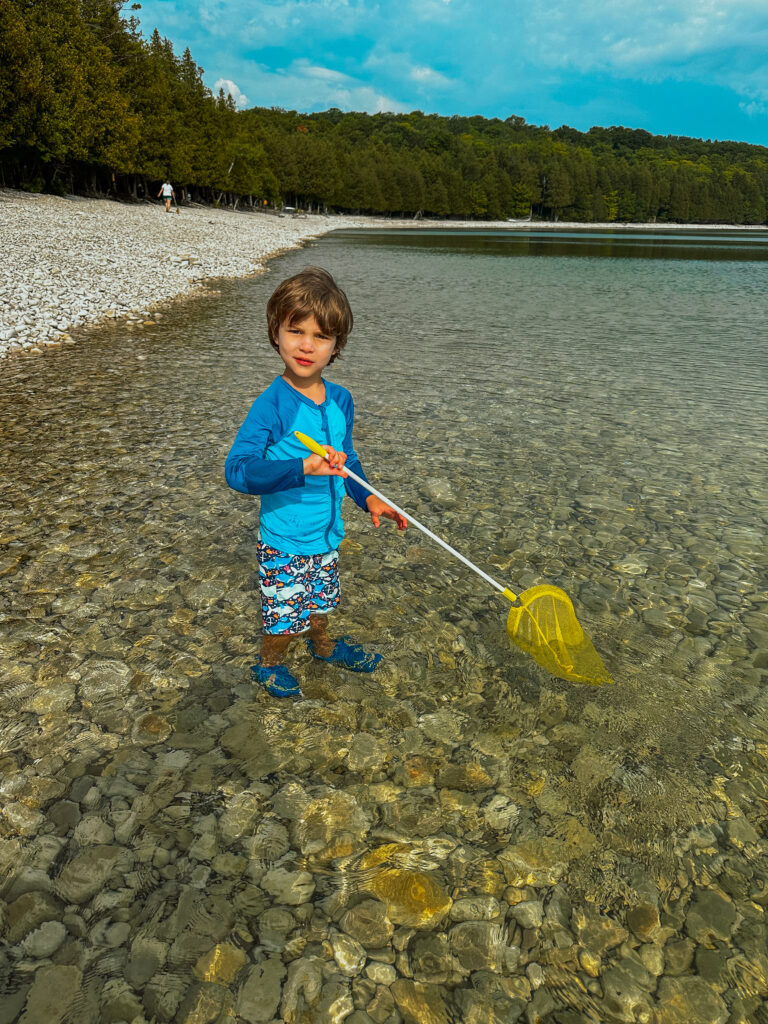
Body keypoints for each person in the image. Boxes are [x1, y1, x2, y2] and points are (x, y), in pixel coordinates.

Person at [225, 267, 407, 698]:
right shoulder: (272, 406)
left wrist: (368, 499)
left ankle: (323, 646)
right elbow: (238, 470)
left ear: (336, 346)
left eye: (321, 336)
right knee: (283, 617)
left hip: (326, 538)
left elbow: (349, 460)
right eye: (296, 331)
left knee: (321, 605)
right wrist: (301, 467)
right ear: (276, 332)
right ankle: (269, 663)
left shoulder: (341, 400)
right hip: (285, 540)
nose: (307, 345)